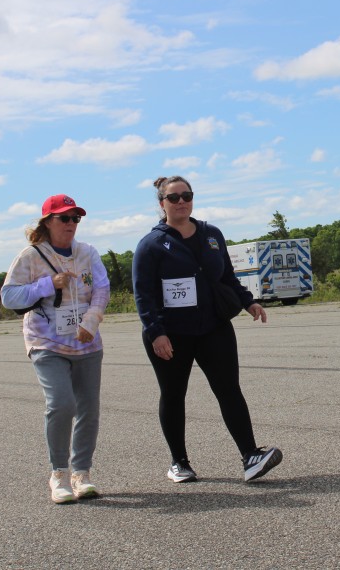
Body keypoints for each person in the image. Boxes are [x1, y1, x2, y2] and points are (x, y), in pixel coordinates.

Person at [132, 176, 283, 483]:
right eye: (174, 197)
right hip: (171, 334)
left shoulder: (211, 234)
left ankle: (250, 456)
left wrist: (248, 302)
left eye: (187, 195)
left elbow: (227, 276)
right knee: (173, 394)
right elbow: (143, 294)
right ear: (161, 203)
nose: (181, 202)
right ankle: (179, 463)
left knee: (229, 390)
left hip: (213, 327)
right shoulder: (150, 245)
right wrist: (156, 332)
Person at [1, 194, 110, 504]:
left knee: (89, 409)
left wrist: (91, 321)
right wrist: (48, 284)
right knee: (62, 404)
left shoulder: (87, 252)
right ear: (48, 222)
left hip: (86, 341)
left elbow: (102, 288)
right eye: (64, 218)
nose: (71, 223)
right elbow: (9, 297)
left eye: (76, 218)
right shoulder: (30, 256)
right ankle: (59, 474)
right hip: (46, 341)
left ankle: (82, 474)